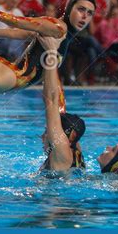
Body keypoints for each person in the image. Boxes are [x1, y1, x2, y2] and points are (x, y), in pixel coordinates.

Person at [37, 35, 86, 171]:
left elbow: (50, 101)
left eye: (47, 132)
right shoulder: (73, 149)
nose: (42, 137)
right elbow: (56, 102)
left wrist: (51, 53)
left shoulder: (62, 153)